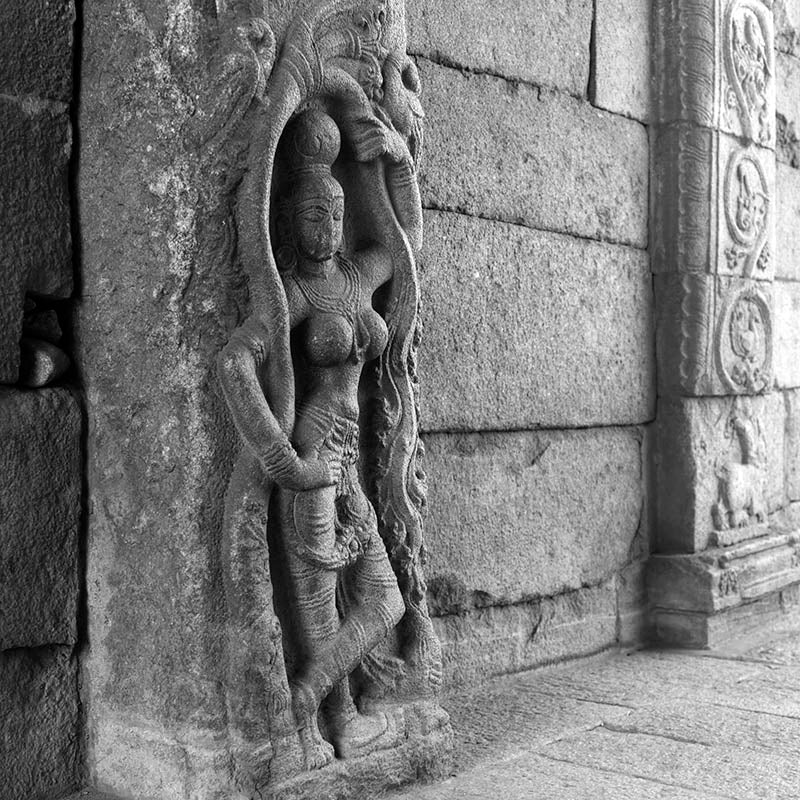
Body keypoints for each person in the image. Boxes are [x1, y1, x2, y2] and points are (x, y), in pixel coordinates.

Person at [218, 108, 406, 771]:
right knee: (320, 605)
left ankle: (309, 694)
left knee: (386, 600)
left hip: (351, 464)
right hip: (314, 460)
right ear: (291, 226)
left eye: (334, 215)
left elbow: (404, 245)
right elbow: (235, 363)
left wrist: (392, 161)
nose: (327, 228)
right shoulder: (291, 293)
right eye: (311, 219)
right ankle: (339, 721)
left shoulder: (356, 279)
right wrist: (283, 459)